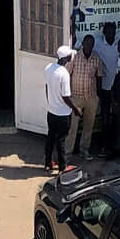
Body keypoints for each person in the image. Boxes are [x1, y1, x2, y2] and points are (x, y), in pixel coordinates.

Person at [67, 34, 104, 161]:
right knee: (72, 127)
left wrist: (98, 96)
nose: (89, 46)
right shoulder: (74, 57)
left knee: (89, 126)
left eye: (91, 44)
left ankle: (84, 150)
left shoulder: (96, 58)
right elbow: (67, 75)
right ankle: (68, 153)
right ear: (82, 43)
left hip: (91, 97)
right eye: (87, 43)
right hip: (76, 97)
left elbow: (99, 77)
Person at [44, 45, 76, 173]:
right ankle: (63, 166)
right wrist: (76, 109)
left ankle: (48, 163)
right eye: (70, 55)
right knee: (61, 139)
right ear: (66, 58)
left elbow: (47, 87)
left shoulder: (48, 68)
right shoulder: (64, 74)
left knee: (51, 137)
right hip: (63, 114)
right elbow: (66, 97)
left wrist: (50, 102)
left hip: (51, 111)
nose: (71, 57)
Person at [93, 24, 120, 155]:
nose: (111, 35)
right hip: (104, 88)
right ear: (104, 32)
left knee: (117, 116)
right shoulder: (98, 43)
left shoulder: (119, 43)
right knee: (105, 116)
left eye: (113, 32)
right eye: (108, 33)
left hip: (117, 88)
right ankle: (104, 144)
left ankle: (116, 145)